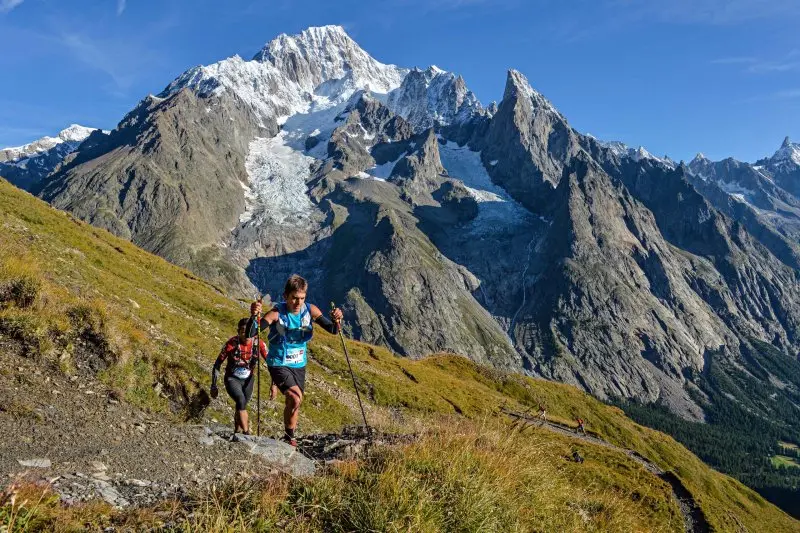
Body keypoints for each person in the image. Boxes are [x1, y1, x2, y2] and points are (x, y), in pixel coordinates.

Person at [249, 274, 343, 447]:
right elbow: (252, 333)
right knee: (295, 397)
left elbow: (333, 330)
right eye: (294, 298)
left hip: (299, 365)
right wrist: (254, 316)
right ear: (286, 296)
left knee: (294, 403)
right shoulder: (277, 313)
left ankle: (288, 435)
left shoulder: (310, 310)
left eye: (302, 298)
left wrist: (337, 319)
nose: (298, 302)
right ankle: (290, 438)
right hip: (278, 362)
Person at [210, 318, 267, 436]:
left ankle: (237, 432)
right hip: (232, 378)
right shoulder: (231, 344)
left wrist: (275, 384)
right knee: (240, 400)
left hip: (249, 379)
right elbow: (217, 364)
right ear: (238, 331)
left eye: (249, 332)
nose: (246, 335)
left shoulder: (258, 343)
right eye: (243, 331)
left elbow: (272, 363)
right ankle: (247, 434)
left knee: (242, 404)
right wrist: (214, 385)